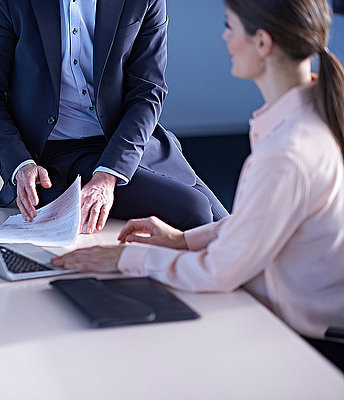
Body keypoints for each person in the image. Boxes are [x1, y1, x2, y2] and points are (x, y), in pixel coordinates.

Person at [52, 0, 344, 355]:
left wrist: (124, 259)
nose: (224, 36)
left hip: (300, 343)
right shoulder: (311, 121)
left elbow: (218, 272)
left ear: (263, 43)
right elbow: (261, 224)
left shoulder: (287, 154)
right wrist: (184, 240)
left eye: (230, 27)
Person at [0, 0, 228, 234]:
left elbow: (149, 92)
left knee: (228, 225)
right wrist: (20, 163)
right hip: (55, 156)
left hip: (126, 140)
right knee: (195, 210)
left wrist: (108, 175)